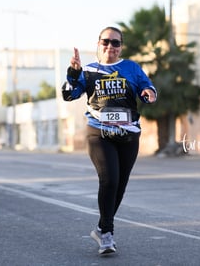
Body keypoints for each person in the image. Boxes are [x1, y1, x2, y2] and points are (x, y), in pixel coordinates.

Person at [62, 26, 157, 255]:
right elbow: (68, 94)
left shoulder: (131, 68)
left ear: (121, 46)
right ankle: (107, 235)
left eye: (116, 43)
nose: (110, 47)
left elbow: (147, 86)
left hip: (129, 133)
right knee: (109, 180)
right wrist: (73, 73)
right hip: (99, 133)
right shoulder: (89, 71)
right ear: (98, 44)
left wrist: (149, 93)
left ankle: (102, 227)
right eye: (106, 41)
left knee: (120, 185)